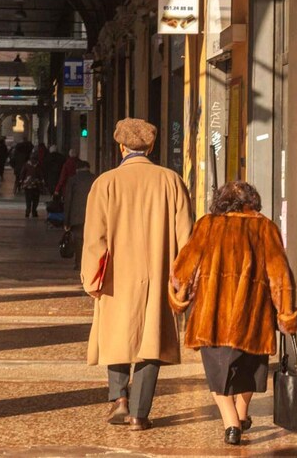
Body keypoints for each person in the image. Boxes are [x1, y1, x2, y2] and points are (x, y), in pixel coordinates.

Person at [80, 118, 194, 431]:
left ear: (121, 148)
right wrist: (183, 279)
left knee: (117, 335)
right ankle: (139, 414)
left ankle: (119, 398)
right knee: (151, 341)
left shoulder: (105, 183)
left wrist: (91, 279)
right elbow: (187, 237)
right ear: (152, 147)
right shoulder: (171, 181)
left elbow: (95, 239)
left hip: (117, 276)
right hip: (158, 274)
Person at [169, 180, 297, 445]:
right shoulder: (266, 228)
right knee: (250, 371)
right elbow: (280, 276)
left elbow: (183, 269)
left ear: (221, 202)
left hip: (212, 316)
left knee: (218, 375)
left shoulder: (207, 225)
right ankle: (240, 415)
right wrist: (286, 313)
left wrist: (179, 297)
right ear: (253, 202)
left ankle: (232, 424)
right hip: (253, 318)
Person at [63, 160, 95, 271]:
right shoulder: (96, 179)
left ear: (77, 169)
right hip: (94, 216)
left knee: (78, 241)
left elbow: (68, 201)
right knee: (92, 240)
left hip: (77, 217)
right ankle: (91, 263)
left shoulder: (73, 180)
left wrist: (66, 221)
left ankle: (79, 263)